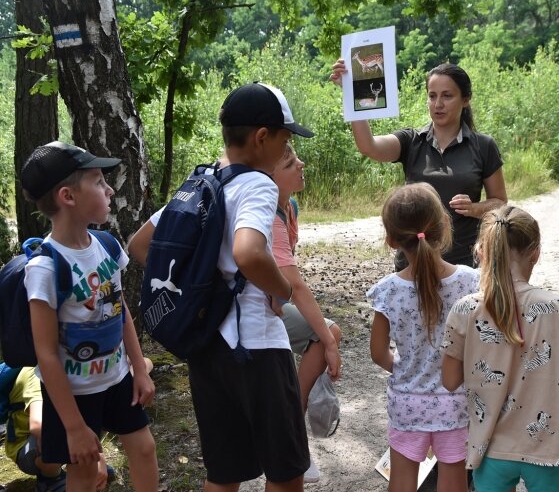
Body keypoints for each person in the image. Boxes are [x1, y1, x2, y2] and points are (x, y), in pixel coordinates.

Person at [130, 82, 338, 492]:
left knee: (224, 474)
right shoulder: (258, 185)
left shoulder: (200, 182)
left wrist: (198, 287)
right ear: (263, 138)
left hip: (208, 348)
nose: (286, 148)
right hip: (256, 346)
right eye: (285, 138)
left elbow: (140, 246)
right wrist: (280, 291)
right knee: (285, 471)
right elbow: (249, 252)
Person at [20, 141, 158, 492]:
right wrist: (73, 426)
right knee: (82, 473)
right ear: (68, 197)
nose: (109, 189)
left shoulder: (107, 245)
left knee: (144, 448)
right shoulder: (45, 268)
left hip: (116, 378)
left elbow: (120, 308)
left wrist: (138, 367)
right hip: (74, 395)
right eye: (98, 181)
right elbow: (46, 353)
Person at [441, 205, 559, 492]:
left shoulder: (464, 310)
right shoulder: (558, 309)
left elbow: (449, 381)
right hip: (550, 449)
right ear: (536, 253)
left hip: (491, 448)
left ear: (481, 252)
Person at [330, 60, 507, 268]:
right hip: (412, 264)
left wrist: (475, 208)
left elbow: (500, 202)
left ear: (466, 99)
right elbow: (368, 147)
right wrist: (353, 94)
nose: (438, 104)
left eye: (447, 96)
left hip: (464, 265)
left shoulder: (483, 145)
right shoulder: (411, 141)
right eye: (432, 96)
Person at [367, 183, 479, 492]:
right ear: (443, 228)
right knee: (454, 482)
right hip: (455, 402)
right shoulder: (470, 282)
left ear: (391, 240)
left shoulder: (387, 291)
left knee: (401, 483)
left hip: (406, 402)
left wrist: (405, 369)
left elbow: (378, 353)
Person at [269, 143, 343, 483]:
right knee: (325, 333)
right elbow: (294, 285)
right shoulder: (269, 211)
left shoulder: (289, 207)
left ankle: (291, 426)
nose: (301, 164)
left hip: (273, 301)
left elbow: (287, 277)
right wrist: (327, 340)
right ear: (271, 175)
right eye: (289, 161)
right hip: (254, 308)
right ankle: (291, 429)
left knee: (327, 332)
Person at [2, 359, 153, 492]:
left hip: (70, 428)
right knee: (58, 430)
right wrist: (97, 456)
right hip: (27, 446)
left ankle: (84, 465)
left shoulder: (83, 365)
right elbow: (37, 425)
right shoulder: (35, 373)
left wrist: (137, 373)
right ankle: (50, 478)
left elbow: (146, 362)